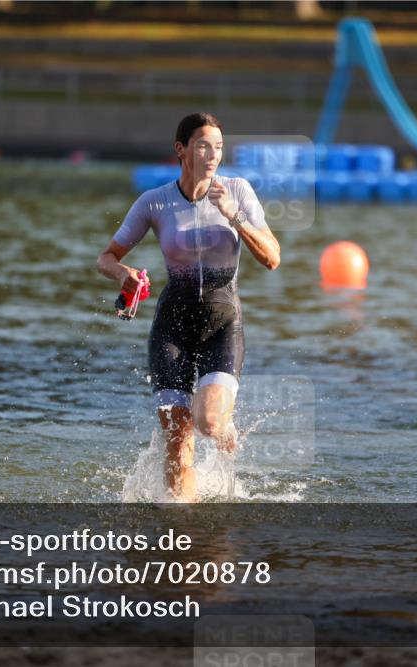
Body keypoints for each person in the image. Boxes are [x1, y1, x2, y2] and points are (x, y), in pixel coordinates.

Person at [97, 113, 281, 501]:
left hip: (222, 322)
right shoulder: (155, 202)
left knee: (209, 421)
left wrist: (236, 217)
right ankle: (184, 534)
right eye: (203, 145)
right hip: (172, 327)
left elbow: (272, 257)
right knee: (178, 445)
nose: (212, 154)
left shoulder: (237, 191)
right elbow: (106, 257)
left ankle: (224, 429)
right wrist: (122, 274)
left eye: (218, 146)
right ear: (180, 150)